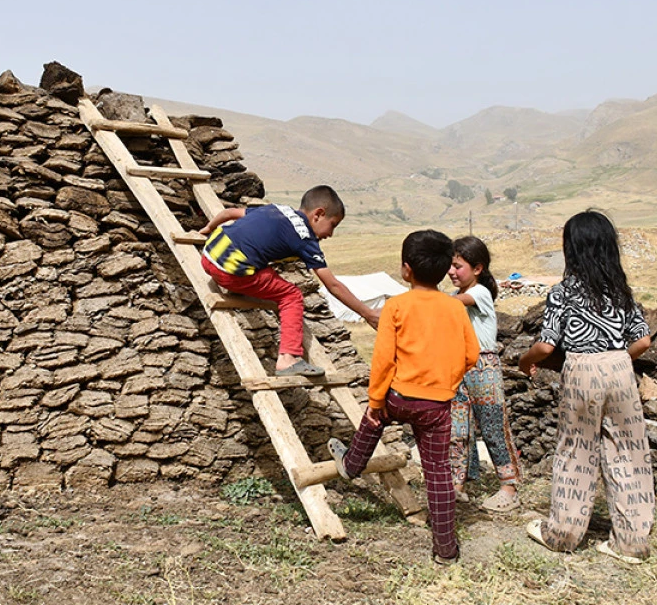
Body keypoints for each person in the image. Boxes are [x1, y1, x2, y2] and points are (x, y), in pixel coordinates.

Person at [327, 230, 479, 564]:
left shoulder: (396, 306)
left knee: (374, 418)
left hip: (398, 395)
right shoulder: (454, 308)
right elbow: (471, 355)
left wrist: (376, 400)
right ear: (443, 269)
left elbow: (383, 360)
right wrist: (446, 383)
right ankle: (446, 552)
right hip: (438, 405)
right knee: (437, 473)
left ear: (406, 269)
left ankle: (351, 465)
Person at [518, 210, 654, 564]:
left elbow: (547, 346)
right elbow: (644, 341)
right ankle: (632, 543)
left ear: (571, 249)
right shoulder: (622, 291)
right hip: (621, 368)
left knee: (576, 451)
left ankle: (563, 533)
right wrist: (616, 359)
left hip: (582, 369)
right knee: (628, 452)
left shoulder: (563, 292)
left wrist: (524, 360)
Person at [199, 185, 378, 376]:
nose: (330, 234)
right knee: (291, 295)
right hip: (230, 272)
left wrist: (207, 229)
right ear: (318, 214)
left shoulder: (276, 208)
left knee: (263, 265)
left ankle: (241, 284)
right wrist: (367, 313)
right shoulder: (306, 238)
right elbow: (333, 285)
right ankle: (288, 359)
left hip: (209, 255)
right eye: (333, 225)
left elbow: (229, 213)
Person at [447, 236, 523, 512]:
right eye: (449, 266)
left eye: (458, 266)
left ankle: (509, 486)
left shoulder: (479, 293)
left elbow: (453, 305)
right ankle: (456, 486)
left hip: (483, 367)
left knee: (492, 426)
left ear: (477, 269)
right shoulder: (456, 295)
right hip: (457, 367)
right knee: (456, 429)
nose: (451, 272)